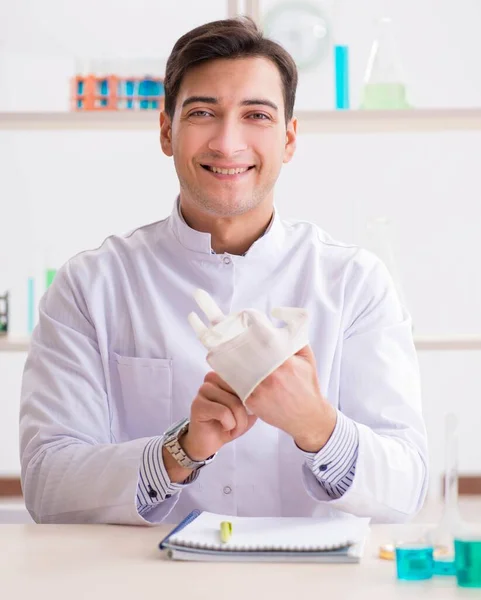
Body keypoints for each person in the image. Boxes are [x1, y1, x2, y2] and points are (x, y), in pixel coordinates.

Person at [19, 17, 427, 526]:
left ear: (290, 139)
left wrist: (317, 425)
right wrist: (180, 450)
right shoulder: (92, 286)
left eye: (256, 114)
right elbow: (46, 484)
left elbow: (406, 486)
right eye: (203, 113)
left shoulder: (355, 283)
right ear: (167, 131)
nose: (228, 143)